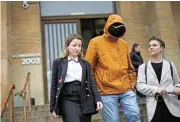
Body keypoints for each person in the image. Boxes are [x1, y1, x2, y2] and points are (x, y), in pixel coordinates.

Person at [85, 14, 140, 122]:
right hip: (106, 90)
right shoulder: (95, 42)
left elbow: (130, 67)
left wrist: (133, 83)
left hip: (126, 88)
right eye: (114, 25)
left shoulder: (124, 44)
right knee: (113, 120)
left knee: (135, 113)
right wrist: (94, 88)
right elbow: (88, 68)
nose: (117, 28)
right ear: (107, 26)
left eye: (120, 25)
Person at [50, 34, 103, 122]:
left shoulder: (85, 63)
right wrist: (53, 107)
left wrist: (98, 99)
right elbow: (54, 85)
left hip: (84, 98)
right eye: (74, 45)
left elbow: (91, 83)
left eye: (79, 46)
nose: (77, 48)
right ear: (67, 46)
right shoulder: (58, 63)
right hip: (67, 99)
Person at [136, 36, 180, 122]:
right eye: (149, 46)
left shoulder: (170, 65)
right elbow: (140, 86)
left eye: (154, 45)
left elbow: (177, 82)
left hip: (172, 105)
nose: (151, 47)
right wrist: (156, 90)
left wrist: (178, 87)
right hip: (154, 106)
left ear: (162, 49)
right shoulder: (143, 67)